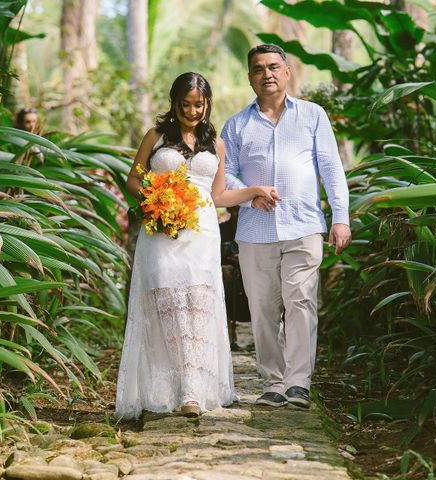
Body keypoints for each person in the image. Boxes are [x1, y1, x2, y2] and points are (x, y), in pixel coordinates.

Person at [115, 72, 279, 419]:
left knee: (197, 302)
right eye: (186, 104)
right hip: (162, 230)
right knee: (167, 301)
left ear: (207, 104)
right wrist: (154, 198)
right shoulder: (156, 136)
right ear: (174, 103)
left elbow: (218, 195)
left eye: (199, 104)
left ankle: (191, 391)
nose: (192, 111)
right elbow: (133, 178)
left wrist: (253, 191)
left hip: (201, 231)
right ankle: (169, 387)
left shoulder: (215, 143)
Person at [221, 44, 351, 410]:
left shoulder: (313, 116)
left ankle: (298, 384)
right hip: (254, 231)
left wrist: (340, 218)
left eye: (274, 67)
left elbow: (331, 169)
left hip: (304, 225)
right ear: (250, 77)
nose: (267, 75)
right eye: (259, 69)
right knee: (262, 309)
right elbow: (224, 174)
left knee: (301, 302)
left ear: (288, 72)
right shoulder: (236, 125)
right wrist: (250, 195)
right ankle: (273, 383)